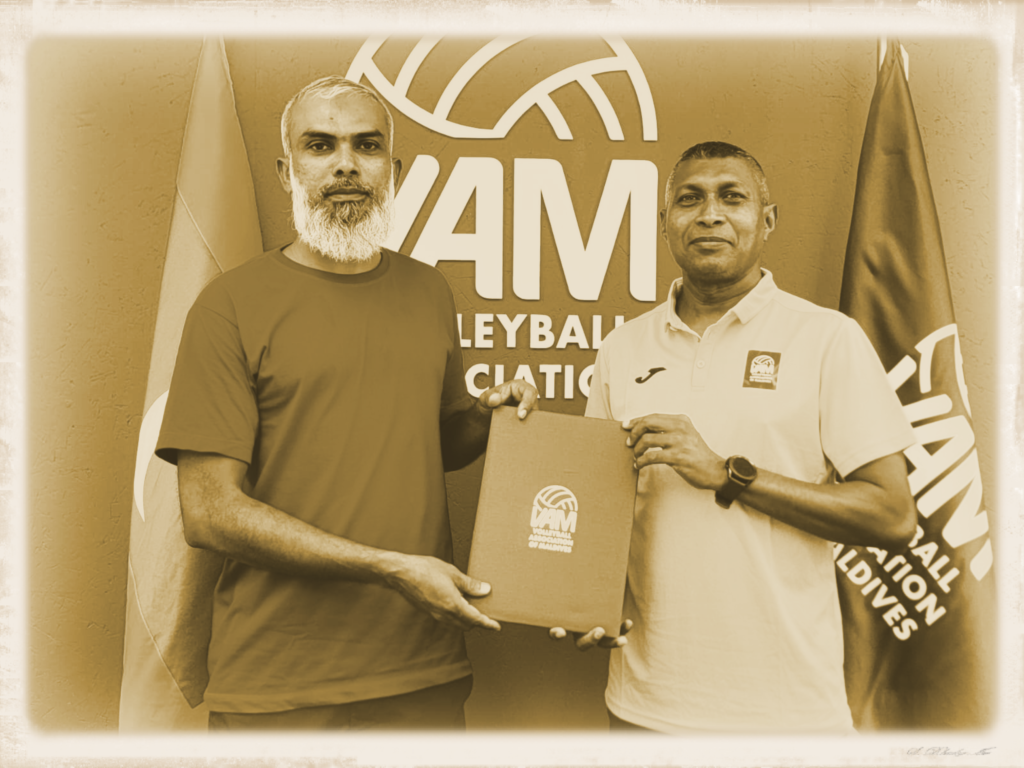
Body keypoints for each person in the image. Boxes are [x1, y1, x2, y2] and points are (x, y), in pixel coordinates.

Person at [155, 76, 541, 731]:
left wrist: (485, 417)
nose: (345, 165)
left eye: (366, 146)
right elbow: (210, 513)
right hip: (278, 684)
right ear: (287, 172)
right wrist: (389, 568)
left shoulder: (428, 292)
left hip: (423, 668)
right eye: (319, 145)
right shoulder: (229, 306)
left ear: (395, 170)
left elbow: (436, 445)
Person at [580, 141, 917, 733]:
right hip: (644, 702)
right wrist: (580, 600)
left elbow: (891, 515)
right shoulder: (623, 347)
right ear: (665, 223)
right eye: (690, 199)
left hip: (784, 711)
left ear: (767, 220)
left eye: (731, 197)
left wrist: (729, 474)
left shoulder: (827, 338)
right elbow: (598, 508)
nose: (709, 214)